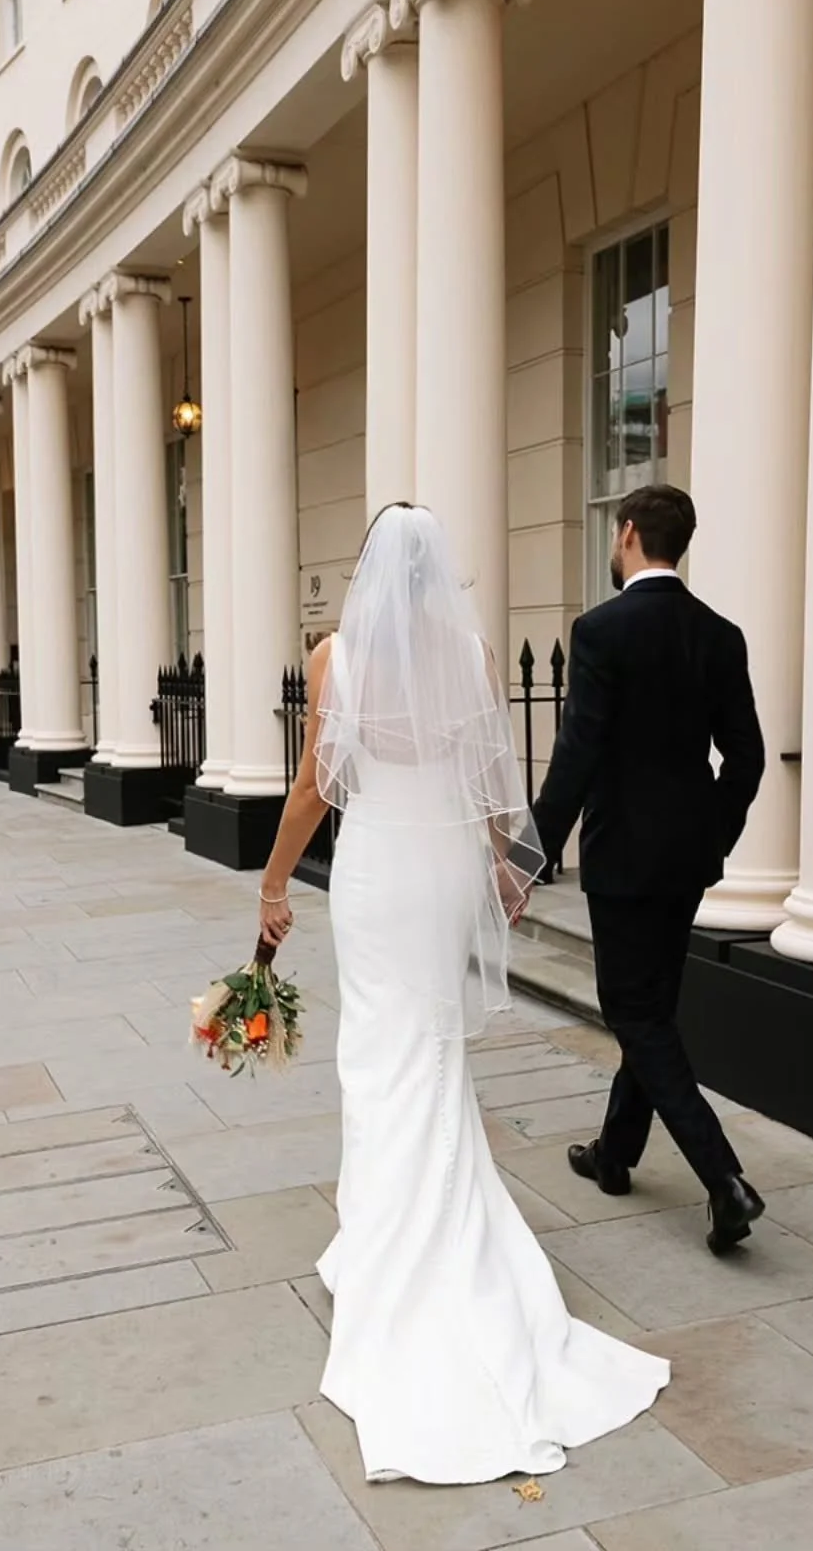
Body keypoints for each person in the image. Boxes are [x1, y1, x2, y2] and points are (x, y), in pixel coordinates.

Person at [256, 503, 668, 1486]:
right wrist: (514, 872)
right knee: (431, 1052)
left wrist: (272, 884)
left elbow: (315, 787)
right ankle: (426, 1241)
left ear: (366, 575)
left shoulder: (335, 656)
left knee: (379, 1055)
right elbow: (498, 790)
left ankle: (385, 1252)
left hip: (375, 877)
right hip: (442, 878)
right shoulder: (473, 656)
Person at [532, 484, 767, 1256]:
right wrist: (715, 833)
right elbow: (748, 756)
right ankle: (615, 1155)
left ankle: (724, 1180)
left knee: (634, 1013)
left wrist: (528, 856)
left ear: (628, 533)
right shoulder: (720, 634)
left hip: (625, 858)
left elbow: (577, 756)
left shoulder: (601, 631)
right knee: (653, 1007)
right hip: (686, 859)